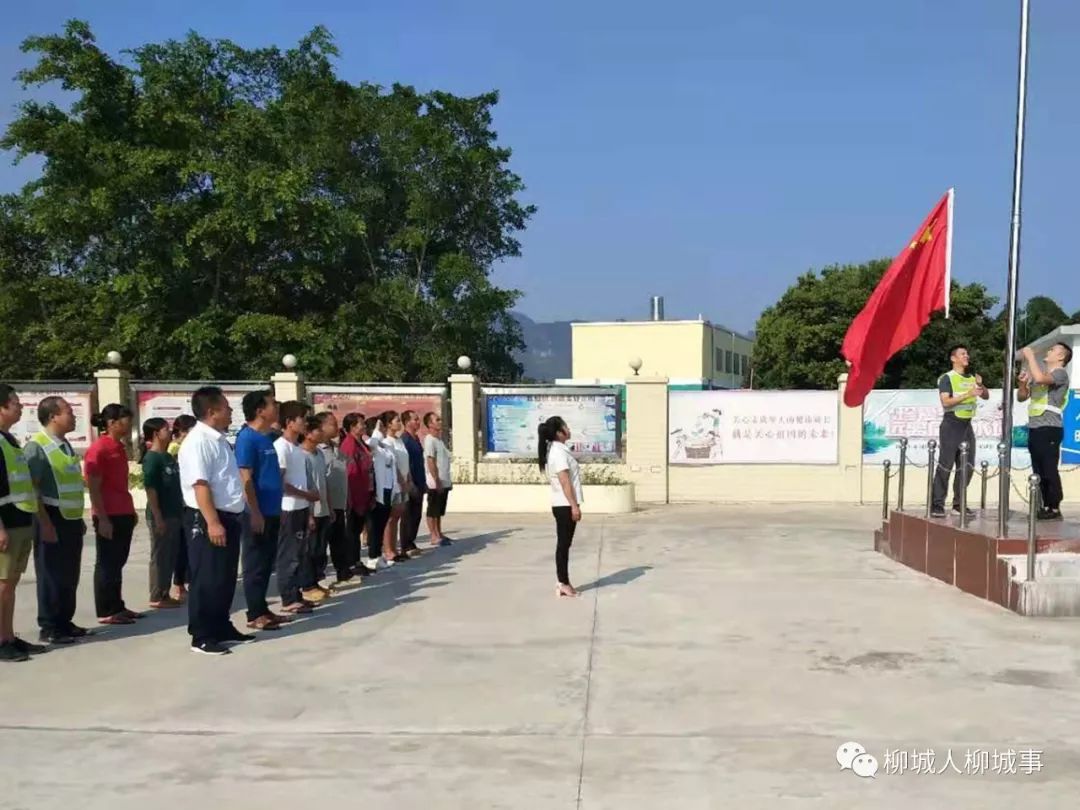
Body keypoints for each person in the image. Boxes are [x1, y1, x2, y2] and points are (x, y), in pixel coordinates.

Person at [177, 386, 254, 655]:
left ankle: (221, 626)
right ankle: (201, 635)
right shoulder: (198, 442)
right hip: (209, 517)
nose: (231, 411)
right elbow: (201, 486)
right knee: (207, 577)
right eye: (225, 407)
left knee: (224, 577)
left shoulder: (218, 439)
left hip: (229, 516)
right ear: (211, 412)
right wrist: (212, 522)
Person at [25, 396, 90, 645]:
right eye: (69, 412)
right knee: (51, 573)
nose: (73, 416)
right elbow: (33, 489)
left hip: (70, 518)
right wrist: (45, 523)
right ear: (53, 416)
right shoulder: (37, 447)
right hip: (50, 518)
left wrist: (79, 518)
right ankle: (50, 626)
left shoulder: (64, 445)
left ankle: (65, 621)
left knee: (69, 573)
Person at [0, 385, 54, 661]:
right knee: (2, 585)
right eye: (15, 403)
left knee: (11, 584)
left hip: (20, 519)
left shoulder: (9, 440)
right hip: (6, 523)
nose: (20, 407)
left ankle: (8, 636)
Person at [234, 390, 287, 631]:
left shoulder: (266, 438)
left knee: (266, 563)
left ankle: (263, 608)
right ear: (259, 410)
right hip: (258, 513)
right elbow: (245, 476)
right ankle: (254, 613)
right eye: (271, 404)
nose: (276, 407)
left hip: (272, 510)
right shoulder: (247, 438)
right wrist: (254, 512)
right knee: (255, 563)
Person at [85, 403, 141, 625]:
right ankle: (106, 609)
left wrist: (130, 511)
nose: (129, 424)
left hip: (123, 511)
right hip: (109, 514)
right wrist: (102, 518)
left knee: (118, 561)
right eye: (126, 420)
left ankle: (117, 605)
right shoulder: (99, 449)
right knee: (107, 563)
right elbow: (94, 487)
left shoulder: (118, 447)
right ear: (112, 423)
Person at [930, 345, 989, 519]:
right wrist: (968, 393)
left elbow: (985, 395)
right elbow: (946, 402)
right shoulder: (947, 378)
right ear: (953, 358)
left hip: (967, 425)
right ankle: (937, 504)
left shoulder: (972, 378)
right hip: (951, 424)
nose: (967, 356)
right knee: (945, 465)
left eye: (967, 354)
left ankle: (959, 504)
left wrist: (980, 385)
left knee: (967, 467)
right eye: (963, 354)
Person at [274, 401, 321, 613]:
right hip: (288, 509)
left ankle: (296, 594)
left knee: (300, 554)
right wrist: (306, 495)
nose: (305, 423)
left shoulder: (296, 449)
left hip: (301, 507)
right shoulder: (281, 447)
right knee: (289, 555)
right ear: (289, 422)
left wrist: (308, 506)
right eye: (301, 418)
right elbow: (281, 483)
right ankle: (288, 598)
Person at [1018, 342, 1073, 520]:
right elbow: (1021, 397)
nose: (1048, 350)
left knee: (1049, 469)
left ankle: (1054, 507)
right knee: (1038, 469)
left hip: (1050, 427)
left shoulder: (1060, 373)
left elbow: (1041, 380)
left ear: (1061, 357)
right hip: (1035, 427)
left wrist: (1031, 357)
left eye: (1053, 349)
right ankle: (1041, 505)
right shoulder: (1040, 374)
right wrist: (1023, 384)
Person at [140, 418, 184, 610]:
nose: (170, 431)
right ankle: (157, 594)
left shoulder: (167, 456)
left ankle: (165, 591)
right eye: (166, 429)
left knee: (170, 555)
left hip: (175, 513)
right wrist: (158, 517)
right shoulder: (152, 458)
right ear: (156, 434)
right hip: (162, 515)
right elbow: (151, 489)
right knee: (160, 555)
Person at [538, 416, 584, 598]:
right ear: (559, 432)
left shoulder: (559, 451)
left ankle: (563, 582)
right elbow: (565, 483)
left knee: (565, 544)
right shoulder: (558, 453)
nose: (568, 428)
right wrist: (574, 506)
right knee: (563, 545)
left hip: (563, 504)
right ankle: (563, 583)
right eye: (566, 426)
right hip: (565, 505)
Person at [317, 411, 352, 584]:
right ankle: (318, 578)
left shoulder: (338, 449)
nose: (336, 427)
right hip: (323, 505)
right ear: (321, 426)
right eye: (332, 424)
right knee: (321, 543)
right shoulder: (316, 451)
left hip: (339, 502)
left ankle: (343, 572)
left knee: (339, 540)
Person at [300, 415, 333, 599]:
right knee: (309, 550)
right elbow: (304, 486)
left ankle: (316, 582)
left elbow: (324, 482)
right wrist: (309, 515)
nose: (321, 433)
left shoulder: (319, 453)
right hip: (310, 510)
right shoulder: (301, 455)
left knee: (320, 548)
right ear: (307, 433)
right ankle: (307, 586)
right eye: (318, 430)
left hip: (323, 509)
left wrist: (328, 505)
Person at [340, 413, 375, 577]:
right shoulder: (349, 445)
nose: (364, 426)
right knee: (353, 531)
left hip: (365, 491)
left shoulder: (360, 443)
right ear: (352, 427)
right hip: (356, 494)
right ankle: (351, 562)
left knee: (358, 528)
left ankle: (356, 561)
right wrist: (353, 498)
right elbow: (350, 473)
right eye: (360, 424)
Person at [168, 414, 196, 601]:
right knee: (181, 548)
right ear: (183, 431)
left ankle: (187, 580)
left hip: (187, 503)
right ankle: (178, 584)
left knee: (189, 547)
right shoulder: (175, 450)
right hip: (181, 504)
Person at [365, 415, 399, 569]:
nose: (384, 430)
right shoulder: (372, 444)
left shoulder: (385, 446)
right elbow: (372, 444)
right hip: (378, 491)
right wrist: (376, 431)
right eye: (382, 428)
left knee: (382, 523)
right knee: (375, 524)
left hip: (388, 488)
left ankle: (378, 556)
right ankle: (372, 556)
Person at [382, 411, 411, 565]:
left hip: (404, 482)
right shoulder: (387, 442)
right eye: (396, 421)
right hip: (395, 485)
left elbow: (405, 462)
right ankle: (388, 550)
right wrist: (401, 481)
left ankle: (395, 548)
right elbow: (394, 465)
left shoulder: (399, 440)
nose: (399, 423)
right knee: (391, 518)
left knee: (398, 517)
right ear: (388, 424)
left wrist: (409, 478)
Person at [423, 412, 453, 548]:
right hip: (435, 482)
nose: (440, 422)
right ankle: (433, 535)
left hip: (444, 480)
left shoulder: (439, 440)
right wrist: (437, 480)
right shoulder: (429, 440)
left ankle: (439, 533)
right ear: (430, 424)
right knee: (433, 510)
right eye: (437, 420)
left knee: (439, 511)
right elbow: (431, 461)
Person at [399, 411, 426, 558]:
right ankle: (405, 544)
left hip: (420, 481)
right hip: (411, 483)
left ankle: (411, 541)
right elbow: (405, 464)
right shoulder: (405, 440)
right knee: (408, 515)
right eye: (415, 419)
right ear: (407, 422)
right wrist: (410, 483)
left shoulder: (415, 439)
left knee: (416, 515)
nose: (418, 422)